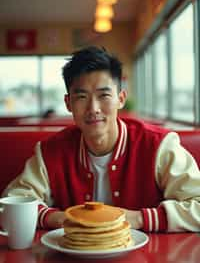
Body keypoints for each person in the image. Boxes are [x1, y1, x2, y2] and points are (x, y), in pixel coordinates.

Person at [3, 46, 200, 232]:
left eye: (104, 95)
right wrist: (59, 218)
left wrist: (139, 219)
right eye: (81, 97)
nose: (93, 109)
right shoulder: (51, 151)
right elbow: (9, 205)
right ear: (68, 103)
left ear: (121, 99)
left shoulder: (159, 145)